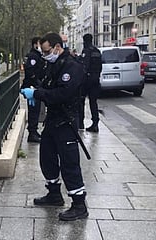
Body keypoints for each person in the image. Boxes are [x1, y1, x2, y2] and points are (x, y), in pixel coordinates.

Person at [21, 32, 88, 221]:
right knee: (47, 157)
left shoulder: (71, 67)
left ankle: (79, 204)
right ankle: (54, 194)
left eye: (46, 50)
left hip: (66, 120)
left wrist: (38, 95)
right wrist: (35, 91)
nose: (44, 54)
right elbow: (48, 85)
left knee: (69, 162)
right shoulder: (54, 64)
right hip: (53, 119)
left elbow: (62, 93)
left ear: (57, 47)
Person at [21, 37, 47, 143]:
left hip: (36, 86)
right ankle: (32, 133)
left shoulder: (37, 55)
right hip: (32, 87)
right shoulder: (33, 56)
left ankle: (34, 131)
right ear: (35, 45)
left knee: (36, 110)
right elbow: (31, 72)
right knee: (33, 110)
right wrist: (35, 84)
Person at [78, 33, 102, 132]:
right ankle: (95, 123)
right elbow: (100, 66)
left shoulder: (86, 51)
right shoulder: (97, 51)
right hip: (95, 80)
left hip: (86, 80)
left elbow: (84, 66)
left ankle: (80, 123)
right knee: (93, 102)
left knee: (81, 101)